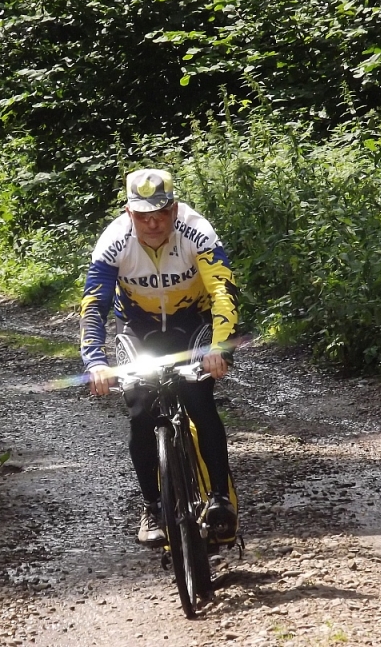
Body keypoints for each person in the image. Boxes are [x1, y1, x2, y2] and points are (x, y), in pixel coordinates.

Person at [80, 167, 239, 546]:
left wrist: (219, 347)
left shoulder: (196, 231)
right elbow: (94, 305)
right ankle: (151, 507)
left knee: (199, 401)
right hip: (139, 328)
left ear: (174, 209)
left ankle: (219, 499)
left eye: (161, 214)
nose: (152, 224)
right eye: (142, 216)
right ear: (128, 213)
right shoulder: (114, 241)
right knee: (140, 412)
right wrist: (96, 362)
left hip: (192, 323)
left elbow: (223, 291)